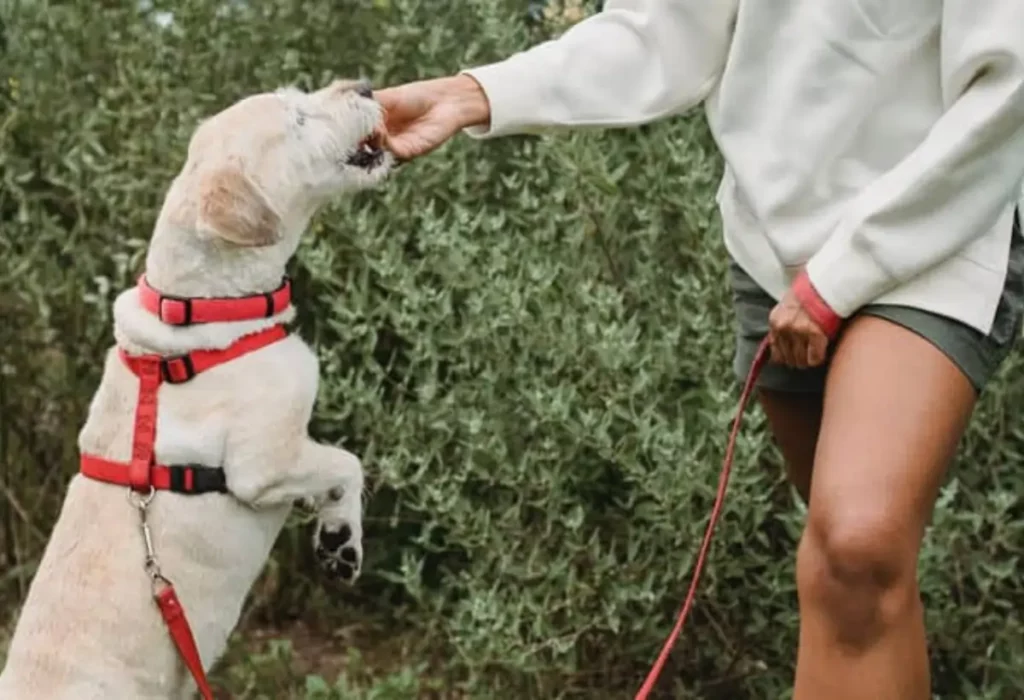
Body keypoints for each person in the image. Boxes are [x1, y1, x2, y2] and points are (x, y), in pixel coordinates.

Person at [375, 2, 1024, 698]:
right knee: (862, 580)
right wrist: (475, 93)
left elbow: (1008, 87)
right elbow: (663, 32)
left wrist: (847, 272)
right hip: (777, 249)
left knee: (858, 548)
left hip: (935, 229)